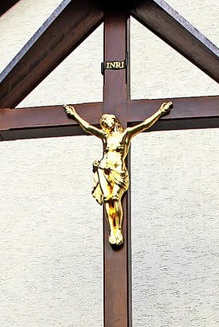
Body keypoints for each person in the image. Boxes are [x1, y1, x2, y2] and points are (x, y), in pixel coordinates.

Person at [64, 101, 172, 245]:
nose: (102, 122)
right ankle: (112, 230)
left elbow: (145, 124)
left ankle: (118, 228)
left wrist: (160, 112)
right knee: (108, 200)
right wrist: (75, 115)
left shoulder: (125, 134)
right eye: (102, 122)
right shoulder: (105, 137)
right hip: (104, 168)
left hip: (118, 170)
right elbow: (88, 128)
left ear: (113, 121)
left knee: (115, 197)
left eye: (105, 120)